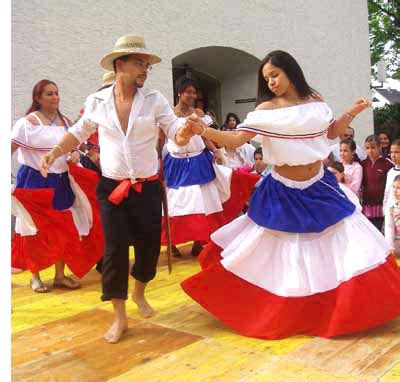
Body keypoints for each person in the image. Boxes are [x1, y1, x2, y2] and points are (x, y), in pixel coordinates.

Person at [181, 50, 400, 339]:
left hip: (320, 186)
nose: (270, 82)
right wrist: (205, 131)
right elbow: (236, 138)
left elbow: (333, 132)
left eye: (275, 74)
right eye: (266, 78)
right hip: (283, 190)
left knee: (344, 244)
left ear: (290, 71)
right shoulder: (266, 111)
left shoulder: (315, 102)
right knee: (283, 253)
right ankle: (285, 311)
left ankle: (338, 309)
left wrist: (353, 112)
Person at [39, 35, 199, 344]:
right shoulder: (97, 102)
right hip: (111, 188)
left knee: (149, 248)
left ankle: (139, 293)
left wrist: (184, 133)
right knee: (113, 251)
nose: (144, 69)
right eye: (139, 63)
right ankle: (119, 317)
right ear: (120, 65)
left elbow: (174, 129)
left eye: (146, 64)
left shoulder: (154, 100)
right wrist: (54, 152)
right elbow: (77, 133)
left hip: (147, 187)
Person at [11, 79, 103, 292]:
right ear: (38, 98)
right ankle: (35, 276)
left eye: (56, 93)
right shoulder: (27, 123)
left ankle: (60, 275)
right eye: (49, 94)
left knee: (63, 228)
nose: (55, 97)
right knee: (34, 229)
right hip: (35, 180)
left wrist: (73, 153)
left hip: (61, 180)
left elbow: (75, 147)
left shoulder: (67, 122)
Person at [161, 75, 259, 257]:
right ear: (179, 93)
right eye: (188, 92)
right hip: (176, 162)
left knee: (203, 201)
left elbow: (204, 136)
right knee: (175, 203)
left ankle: (200, 241)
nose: (192, 96)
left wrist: (217, 151)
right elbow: (161, 140)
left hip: (199, 160)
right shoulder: (168, 115)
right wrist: (157, 162)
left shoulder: (198, 114)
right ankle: (171, 242)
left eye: (194, 93)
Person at [361, 135, 393, 231]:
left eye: (373, 147)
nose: (370, 150)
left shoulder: (387, 164)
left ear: (379, 147)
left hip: (381, 206)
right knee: (368, 233)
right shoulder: (363, 164)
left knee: (379, 232)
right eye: (367, 148)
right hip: (366, 205)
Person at [384, 175, 400, 258]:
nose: (395, 191)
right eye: (393, 187)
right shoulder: (391, 206)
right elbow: (389, 227)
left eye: (398, 188)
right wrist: (390, 246)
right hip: (397, 243)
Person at [383, 139, 400, 211]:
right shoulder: (390, 172)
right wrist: (384, 208)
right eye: (391, 152)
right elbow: (387, 192)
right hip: (390, 209)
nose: (393, 155)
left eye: (396, 152)